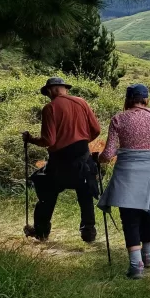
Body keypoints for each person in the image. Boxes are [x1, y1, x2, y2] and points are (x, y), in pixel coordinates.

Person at [98, 84, 150, 279]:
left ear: (128, 99)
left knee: (129, 216)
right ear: (145, 99)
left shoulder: (118, 119)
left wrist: (98, 159)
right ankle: (148, 255)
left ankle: (135, 264)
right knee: (147, 210)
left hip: (127, 172)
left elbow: (108, 154)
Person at [23, 77, 102, 242]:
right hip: (83, 157)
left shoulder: (50, 108)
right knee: (85, 194)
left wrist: (30, 139)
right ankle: (88, 233)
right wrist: (82, 141)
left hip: (60, 161)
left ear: (51, 90)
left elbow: (49, 141)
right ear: (65, 89)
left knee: (47, 193)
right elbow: (96, 130)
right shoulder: (82, 102)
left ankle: (42, 232)